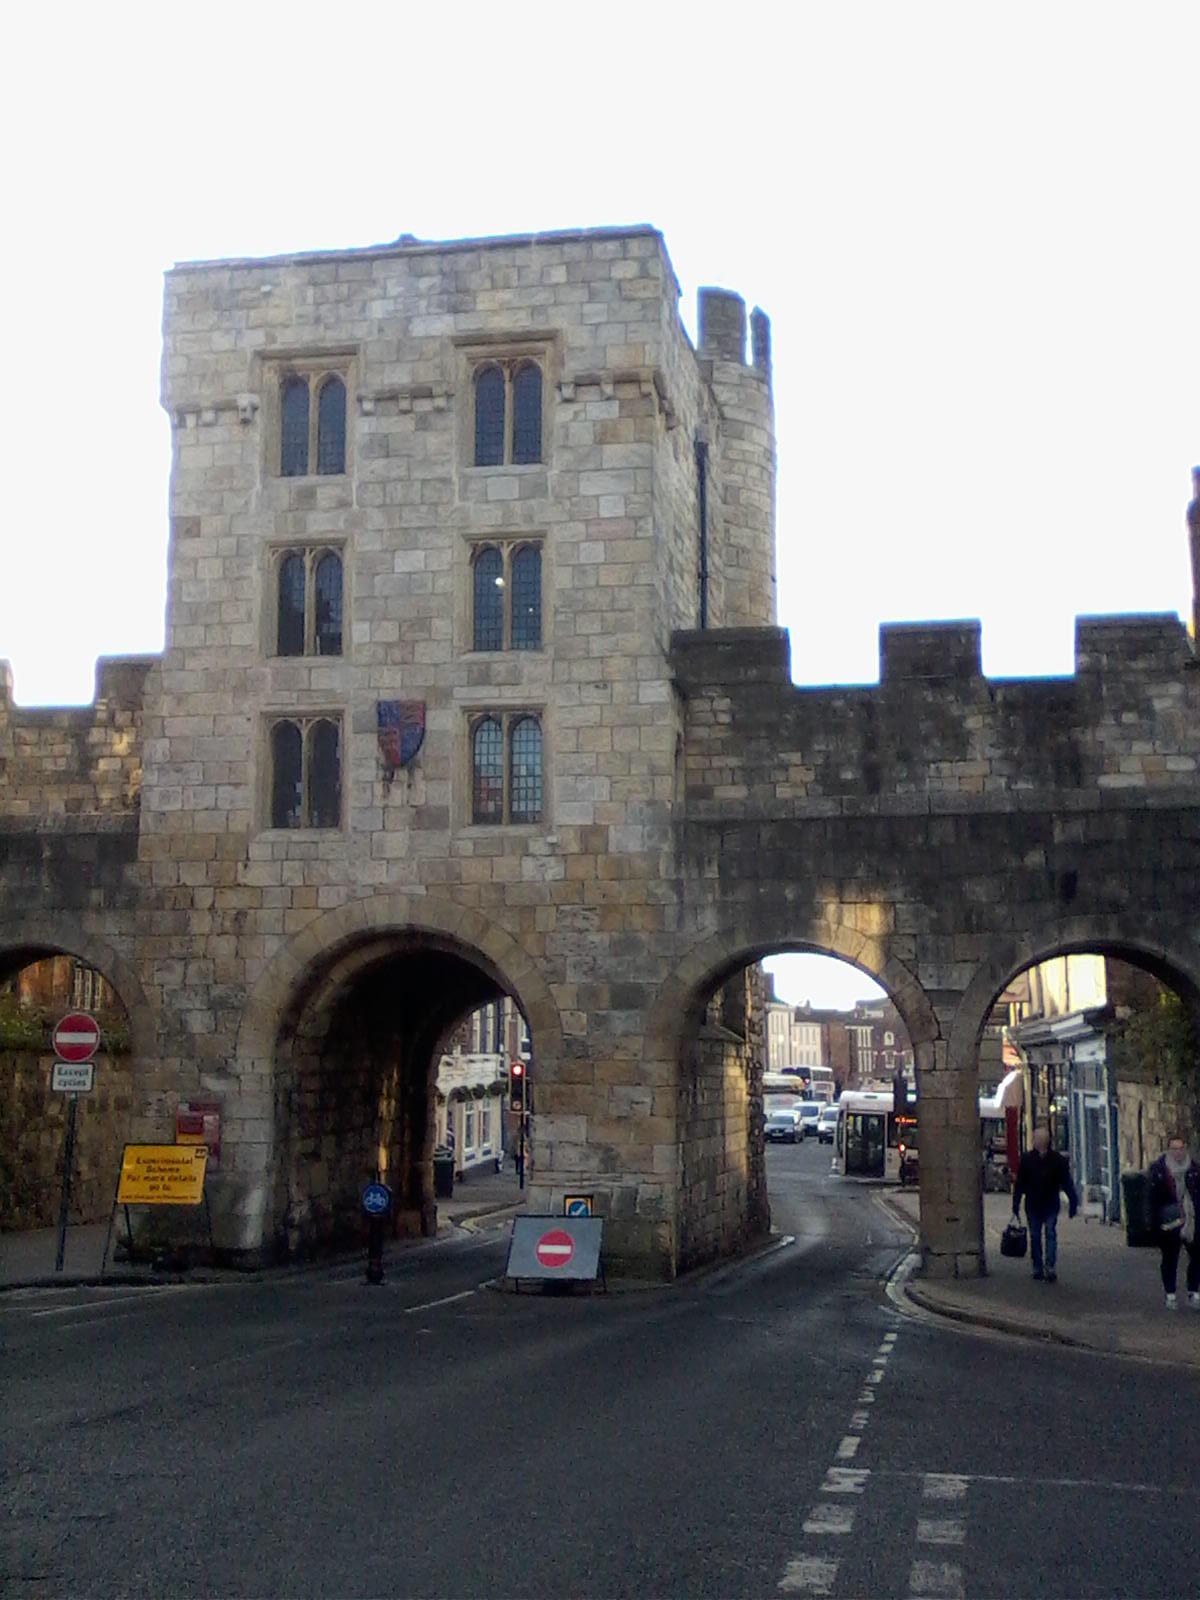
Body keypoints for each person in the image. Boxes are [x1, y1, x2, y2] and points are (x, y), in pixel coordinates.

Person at [1012, 1124, 1078, 1282]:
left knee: (1050, 1233)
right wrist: (1015, 1203)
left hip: (1050, 1204)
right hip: (1033, 1205)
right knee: (1035, 1236)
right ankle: (1037, 1266)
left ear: (1047, 1141)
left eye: (1041, 1139)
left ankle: (1050, 1266)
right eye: (1037, 1139)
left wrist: (1073, 1202)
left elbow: (1066, 1182)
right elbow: (1020, 1183)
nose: (1039, 1142)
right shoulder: (1027, 1159)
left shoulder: (1057, 1160)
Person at [1147, 1133, 1200, 1310]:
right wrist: (1155, 1223)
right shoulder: (1159, 1170)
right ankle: (1170, 1293)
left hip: (1190, 1218)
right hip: (1169, 1221)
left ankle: (1193, 1290)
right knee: (1170, 1258)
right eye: (1174, 1149)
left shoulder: (1193, 1169)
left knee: (1196, 1256)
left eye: (1181, 1148)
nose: (1178, 1152)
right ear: (1169, 1150)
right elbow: (1152, 1199)